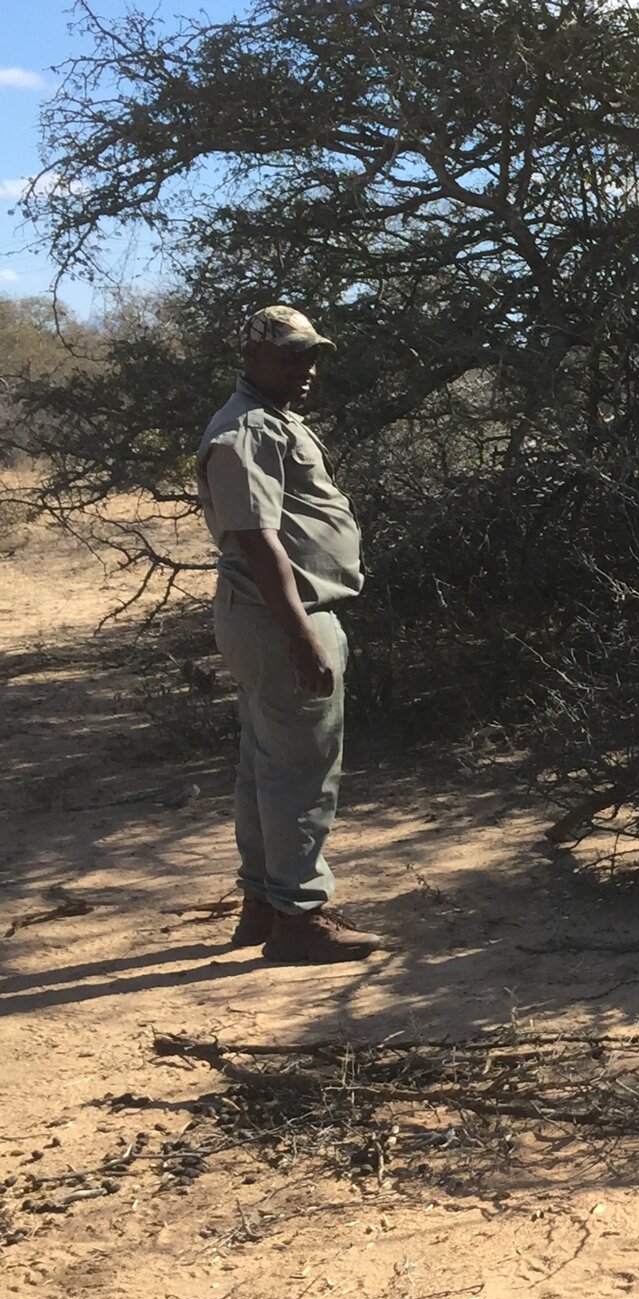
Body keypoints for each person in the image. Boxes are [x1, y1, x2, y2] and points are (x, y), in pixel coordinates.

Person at [196, 305, 385, 963]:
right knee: (300, 769)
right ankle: (300, 916)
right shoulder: (246, 429)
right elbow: (257, 540)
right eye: (290, 357)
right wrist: (302, 635)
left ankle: (264, 904)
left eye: (311, 355)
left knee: (265, 765)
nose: (306, 369)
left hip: (269, 618)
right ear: (252, 358)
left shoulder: (271, 421)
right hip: (281, 619)